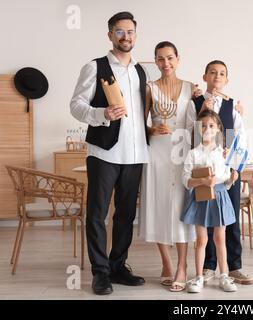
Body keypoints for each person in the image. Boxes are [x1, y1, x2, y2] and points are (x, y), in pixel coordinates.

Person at [70, 12, 148, 295]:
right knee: (97, 215)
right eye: (119, 32)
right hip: (103, 152)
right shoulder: (95, 66)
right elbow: (76, 105)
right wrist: (101, 113)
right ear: (110, 35)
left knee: (126, 216)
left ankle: (118, 266)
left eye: (130, 32)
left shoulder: (141, 71)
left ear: (135, 35)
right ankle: (100, 273)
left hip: (136, 154)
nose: (126, 36)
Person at [139, 41, 202, 292]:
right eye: (160, 59)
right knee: (159, 204)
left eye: (170, 58)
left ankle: (182, 267)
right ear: (155, 61)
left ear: (178, 59)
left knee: (180, 207)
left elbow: (198, 124)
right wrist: (151, 128)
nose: (166, 63)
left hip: (183, 151)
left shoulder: (190, 89)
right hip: (157, 151)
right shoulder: (149, 88)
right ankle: (166, 263)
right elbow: (139, 124)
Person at [186, 60, 253, 285]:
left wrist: (234, 167)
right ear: (205, 76)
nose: (217, 76)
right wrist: (203, 108)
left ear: (227, 80)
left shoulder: (232, 106)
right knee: (205, 219)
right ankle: (207, 267)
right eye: (213, 72)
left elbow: (239, 138)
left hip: (227, 174)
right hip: (202, 172)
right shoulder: (194, 102)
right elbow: (188, 135)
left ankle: (234, 267)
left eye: (222, 73)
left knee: (229, 217)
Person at [181, 110, 239, 293]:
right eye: (203, 125)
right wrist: (203, 182)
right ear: (198, 128)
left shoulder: (223, 153)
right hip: (201, 198)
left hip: (219, 197)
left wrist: (231, 178)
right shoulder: (192, 154)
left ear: (218, 129)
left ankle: (224, 276)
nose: (207, 129)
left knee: (220, 238)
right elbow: (186, 180)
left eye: (211, 125)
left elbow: (225, 180)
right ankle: (198, 277)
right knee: (201, 239)